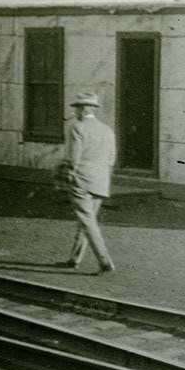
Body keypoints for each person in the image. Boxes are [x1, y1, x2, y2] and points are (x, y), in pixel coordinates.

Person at [60, 92, 116, 273]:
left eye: (76, 108)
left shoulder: (77, 127)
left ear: (83, 110)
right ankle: (74, 259)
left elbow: (73, 158)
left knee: (88, 223)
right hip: (100, 182)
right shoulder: (107, 130)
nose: (75, 112)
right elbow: (111, 159)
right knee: (87, 220)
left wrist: (67, 175)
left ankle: (105, 261)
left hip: (81, 182)